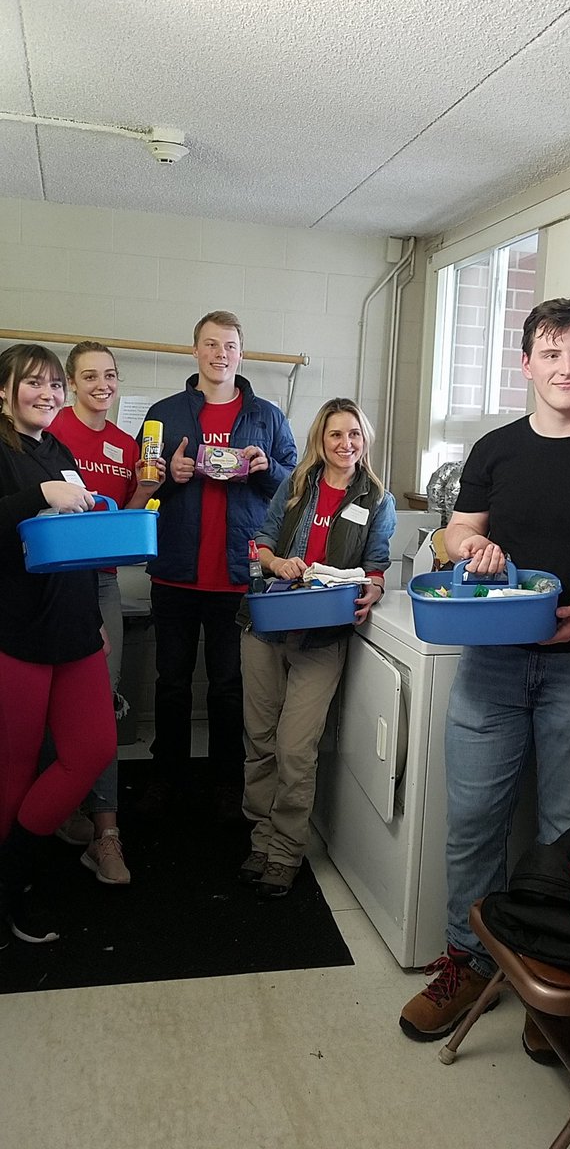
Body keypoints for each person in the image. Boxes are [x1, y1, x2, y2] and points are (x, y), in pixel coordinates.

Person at [399, 298, 570, 1059]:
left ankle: (546, 983)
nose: (566, 368)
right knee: (472, 825)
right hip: (491, 663)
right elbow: (457, 529)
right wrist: (466, 551)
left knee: (563, 837)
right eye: (551, 354)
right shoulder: (494, 450)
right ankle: (467, 961)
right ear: (526, 364)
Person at [137, 310, 297, 819]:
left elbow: (296, 489)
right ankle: (168, 776)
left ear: (241, 353)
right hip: (175, 572)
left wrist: (265, 468)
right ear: (195, 351)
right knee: (172, 681)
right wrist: (169, 473)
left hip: (238, 575)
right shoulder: (164, 412)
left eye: (229, 345)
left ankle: (228, 780)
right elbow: (140, 485)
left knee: (231, 686)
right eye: (210, 344)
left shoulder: (267, 416)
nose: (219, 354)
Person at [237, 397, 396, 898]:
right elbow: (260, 540)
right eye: (335, 435)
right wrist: (276, 562)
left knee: (295, 747)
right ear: (320, 442)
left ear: (364, 439)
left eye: (354, 434)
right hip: (267, 623)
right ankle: (261, 839)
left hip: (322, 634)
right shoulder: (297, 484)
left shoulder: (377, 499)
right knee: (260, 741)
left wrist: (372, 589)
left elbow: (376, 565)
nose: (346, 444)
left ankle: (285, 850)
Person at [0, 343, 117, 947]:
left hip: (74, 631)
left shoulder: (59, 450)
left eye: (52, 385)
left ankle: (11, 869)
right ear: (4, 392)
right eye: (32, 383)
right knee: (13, 772)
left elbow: (70, 544)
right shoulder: (4, 450)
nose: (46, 393)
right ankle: (15, 890)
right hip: (16, 633)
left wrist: (91, 613)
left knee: (91, 748)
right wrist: (40, 496)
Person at [48, 340, 165, 884]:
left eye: (110, 375)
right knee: (48, 709)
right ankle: (58, 810)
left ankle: (106, 835)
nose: (102, 384)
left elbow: (123, 530)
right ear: (70, 383)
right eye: (90, 375)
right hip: (48, 586)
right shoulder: (51, 435)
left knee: (101, 707)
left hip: (100, 585)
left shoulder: (125, 444)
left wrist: (143, 491)